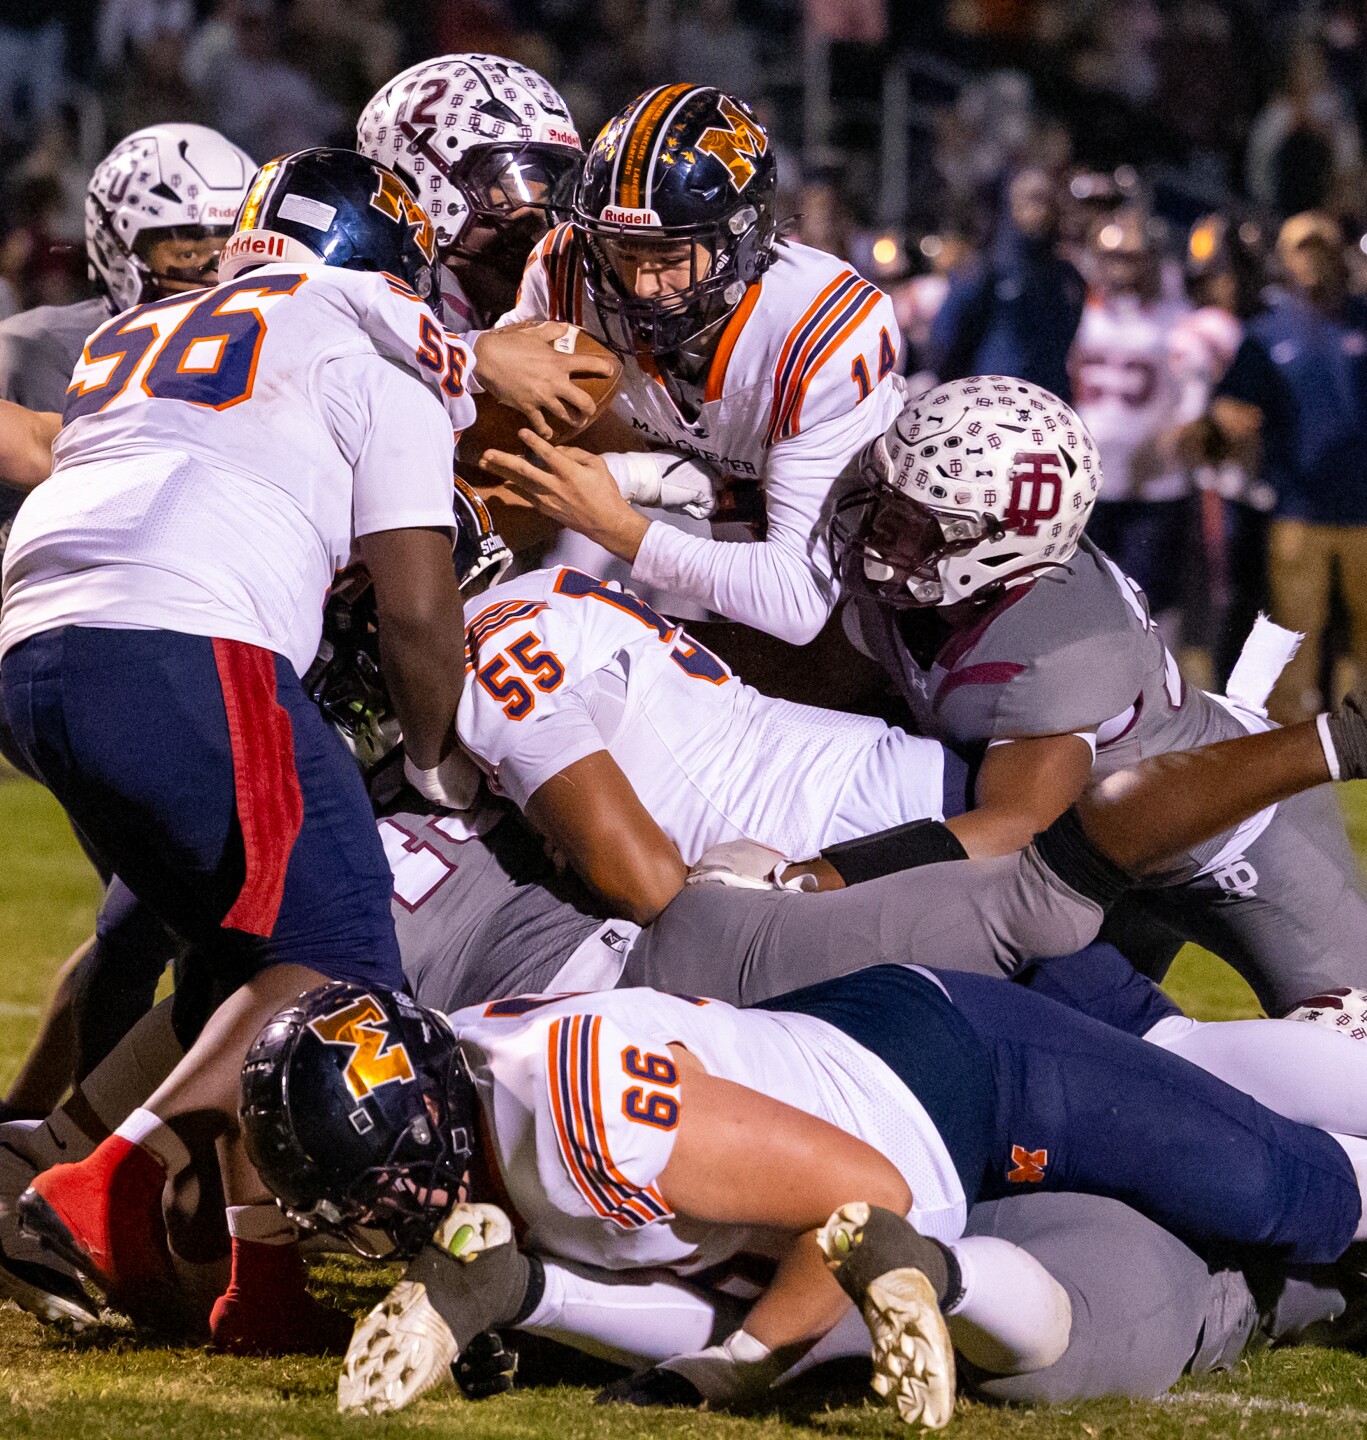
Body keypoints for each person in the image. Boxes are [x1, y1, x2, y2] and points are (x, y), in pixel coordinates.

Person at [240, 698, 1367, 1424]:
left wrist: (736, 1370)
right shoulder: (484, 1076)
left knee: (1292, 1191)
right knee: (721, 1294)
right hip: (830, 1120)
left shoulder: (589, 1117)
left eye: (365, 1191)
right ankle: (516, 1289)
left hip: (947, 1073)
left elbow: (861, 1192)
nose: (354, 1224)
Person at [0, 146, 608, 1354]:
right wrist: (433, 759)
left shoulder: (157, 330)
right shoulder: (368, 349)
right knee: (340, 960)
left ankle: (251, 1281)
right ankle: (85, 1192)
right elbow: (419, 607)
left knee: (241, 957)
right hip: (184, 642)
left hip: (34, 649)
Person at [831, 375, 1367, 1014]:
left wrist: (821, 873)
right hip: (1093, 855)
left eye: (918, 525)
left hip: (1233, 840)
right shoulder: (948, 590)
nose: (880, 536)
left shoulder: (1063, 643)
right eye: (886, 507)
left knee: (1350, 1054)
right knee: (1053, 1048)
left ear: (999, 545)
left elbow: (1012, 829)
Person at [0, 121, 256, 1116]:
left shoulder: (259, 342)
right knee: (175, 911)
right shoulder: (43, 345)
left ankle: (35, 1135)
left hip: (177, 648)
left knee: (146, 912)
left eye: (216, 250)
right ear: (117, 243)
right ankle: (80, 1153)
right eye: (176, 252)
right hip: (73, 649)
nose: (199, 273)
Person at [483, 83, 903, 644]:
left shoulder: (818, 331)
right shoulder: (567, 271)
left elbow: (797, 598)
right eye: (624, 252)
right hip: (699, 518)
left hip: (857, 597)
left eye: (669, 257)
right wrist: (480, 358)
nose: (640, 285)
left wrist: (615, 524)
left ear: (741, 239)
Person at [456, 563, 970, 923]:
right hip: (876, 772)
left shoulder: (487, 642)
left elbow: (652, 891)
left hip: (828, 829)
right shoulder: (544, 587)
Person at [1212, 211, 1367, 723]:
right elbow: (1229, 402)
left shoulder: (1362, 318)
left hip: (1364, 508)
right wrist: (1230, 421)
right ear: (1284, 257)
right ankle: (1291, 743)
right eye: (1300, 248)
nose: (1311, 258)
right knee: (1295, 635)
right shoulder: (1265, 332)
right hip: (1299, 508)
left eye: (1320, 247)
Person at [355, 53, 584, 333]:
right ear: (418, 176)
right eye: (510, 185)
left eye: (552, 191)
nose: (541, 219)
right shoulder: (360, 304)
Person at [1070, 207, 1195, 644]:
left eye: (1131, 256)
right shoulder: (1075, 312)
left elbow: (1196, 397)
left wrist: (1174, 435)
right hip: (1088, 481)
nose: (1120, 267)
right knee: (1086, 599)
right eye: (1111, 256)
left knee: (1151, 602)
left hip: (1154, 483)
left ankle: (1162, 700)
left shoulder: (1178, 316)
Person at [927, 169, 1085, 403]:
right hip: (992, 404)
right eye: (1032, 198)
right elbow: (945, 340)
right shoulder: (984, 269)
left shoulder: (1067, 277)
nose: (1040, 209)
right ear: (1011, 204)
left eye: (1047, 199)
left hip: (1048, 405)